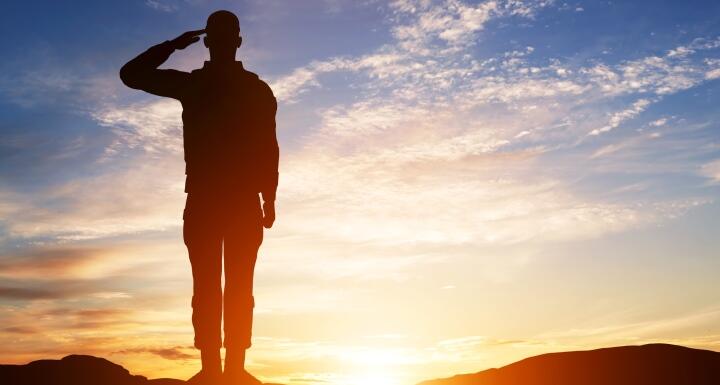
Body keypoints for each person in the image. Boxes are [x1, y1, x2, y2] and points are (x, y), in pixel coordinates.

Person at [119, 10, 278, 385]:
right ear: (237, 41)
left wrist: (173, 46)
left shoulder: (202, 86)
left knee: (216, 286)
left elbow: (131, 74)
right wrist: (269, 198)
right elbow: (269, 149)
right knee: (227, 285)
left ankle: (224, 368)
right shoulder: (246, 89)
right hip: (228, 201)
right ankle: (221, 367)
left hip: (218, 201)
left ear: (208, 42)